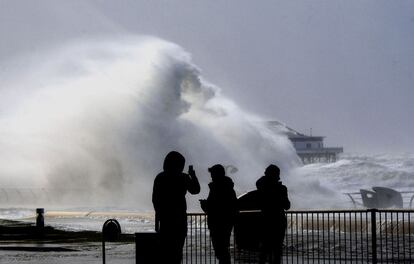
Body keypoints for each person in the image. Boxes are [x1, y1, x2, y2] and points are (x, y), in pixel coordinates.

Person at [152, 151, 200, 264]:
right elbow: (195, 190)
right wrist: (193, 175)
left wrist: (159, 214)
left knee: (166, 251)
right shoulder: (183, 177)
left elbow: (155, 199)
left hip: (165, 219)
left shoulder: (160, 177)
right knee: (177, 250)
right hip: (179, 218)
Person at [200, 164, 238, 264]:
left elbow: (212, 208)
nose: (211, 176)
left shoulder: (215, 189)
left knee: (220, 250)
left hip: (216, 223)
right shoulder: (229, 188)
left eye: (212, 174)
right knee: (223, 250)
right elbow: (233, 206)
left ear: (217, 174)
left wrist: (204, 205)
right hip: (227, 223)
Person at [256, 164, 290, 264]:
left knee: (264, 249)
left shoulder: (262, 187)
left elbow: (259, 182)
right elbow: (287, 206)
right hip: (279, 221)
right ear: (277, 175)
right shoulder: (282, 189)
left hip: (265, 220)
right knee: (277, 249)